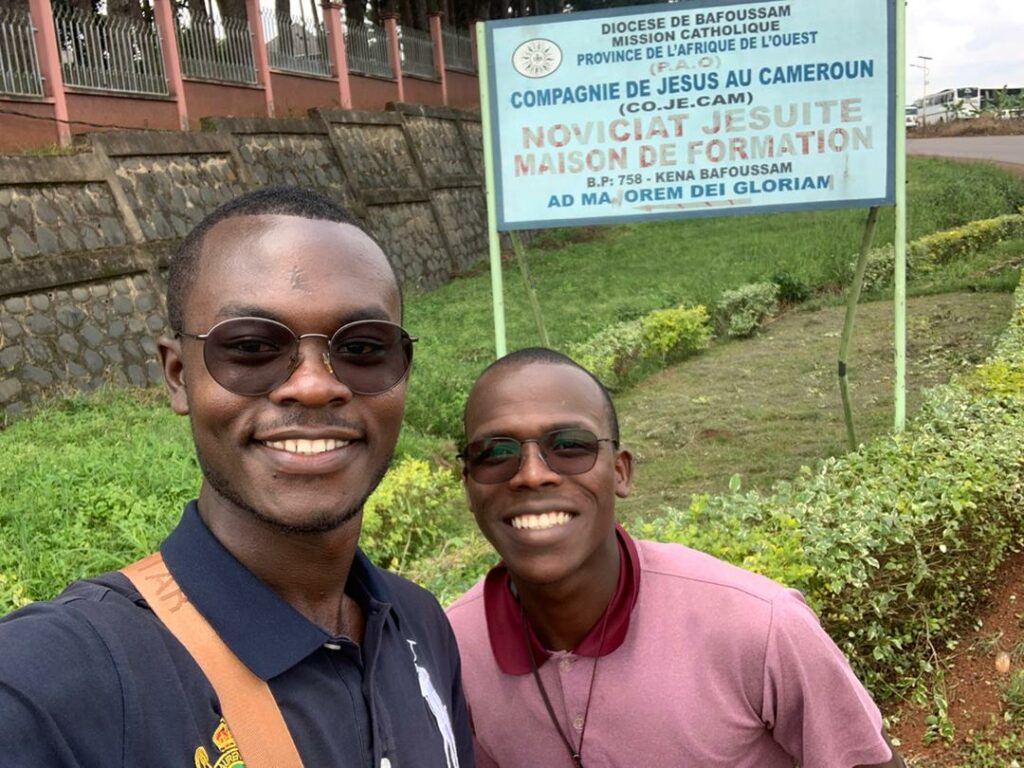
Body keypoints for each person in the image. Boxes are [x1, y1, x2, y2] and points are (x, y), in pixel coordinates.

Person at [0, 187, 473, 767]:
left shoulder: (420, 627)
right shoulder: (57, 683)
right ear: (178, 376)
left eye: (364, 347)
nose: (314, 384)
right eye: (250, 347)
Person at [446, 347, 904, 768]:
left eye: (569, 446)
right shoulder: (448, 651)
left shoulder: (759, 626)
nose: (531, 474)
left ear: (621, 472)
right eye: (495, 452)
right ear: (469, 484)